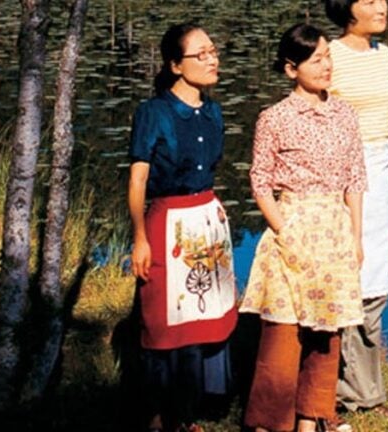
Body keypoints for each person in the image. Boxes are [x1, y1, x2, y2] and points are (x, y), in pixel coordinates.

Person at [239, 23, 367, 432]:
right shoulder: (275, 118)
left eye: (328, 56)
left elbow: (356, 179)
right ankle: (268, 423)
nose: (326, 66)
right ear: (291, 69)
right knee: (282, 334)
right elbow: (260, 181)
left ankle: (310, 420)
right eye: (315, 60)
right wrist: (284, 230)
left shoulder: (345, 114)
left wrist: (356, 237)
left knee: (326, 337)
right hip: (291, 230)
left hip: (334, 232)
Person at [127, 22, 237, 432]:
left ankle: (189, 412)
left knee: (201, 318)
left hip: (206, 220)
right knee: (163, 319)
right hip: (167, 222)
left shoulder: (213, 112)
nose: (212, 60)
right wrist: (139, 237)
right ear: (176, 65)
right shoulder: (153, 113)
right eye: (201, 54)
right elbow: (138, 180)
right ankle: (156, 414)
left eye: (213, 51)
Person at [324, 0, 388, 423]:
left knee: (376, 280)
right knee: (345, 279)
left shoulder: (385, 54)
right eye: (369, 0)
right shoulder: (329, 55)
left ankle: (366, 391)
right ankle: (335, 391)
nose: (382, 6)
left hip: (380, 168)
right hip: (341, 173)